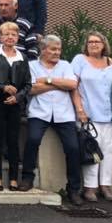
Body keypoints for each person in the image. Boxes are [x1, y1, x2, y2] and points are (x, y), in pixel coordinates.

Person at [22, 35, 82, 205]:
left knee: (72, 148)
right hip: (39, 112)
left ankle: (73, 189)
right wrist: (59, 84)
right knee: (32, 140)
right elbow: (31, 89)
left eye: (59, 49)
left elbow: (72, 85)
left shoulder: (65, 65)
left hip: (64, 114)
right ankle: (27, 178)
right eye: (53, 49)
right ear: (43, 50)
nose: (57, 52)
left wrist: (47, 81)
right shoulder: (32, 66)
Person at [0, 21, 31, 191]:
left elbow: (27, 84)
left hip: (15, 105)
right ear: (0, 37)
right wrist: (3, 87)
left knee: (13, 141)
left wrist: (17, 97)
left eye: (14, 34)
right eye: (6, 34)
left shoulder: (22, 57)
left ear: (18, 37)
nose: (10, 37)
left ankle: (13, 178)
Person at [71, 33, 112, 201]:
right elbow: (73, 87)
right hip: (89, 114)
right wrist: (80, 110)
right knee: (92, 150)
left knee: (110, 151)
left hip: (110, 115)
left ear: (104, 44)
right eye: (90, 42)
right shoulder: (79, 60)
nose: (93, 44)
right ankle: (90, 187)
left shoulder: (111, 63)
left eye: (97, 41)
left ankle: (105, 185)